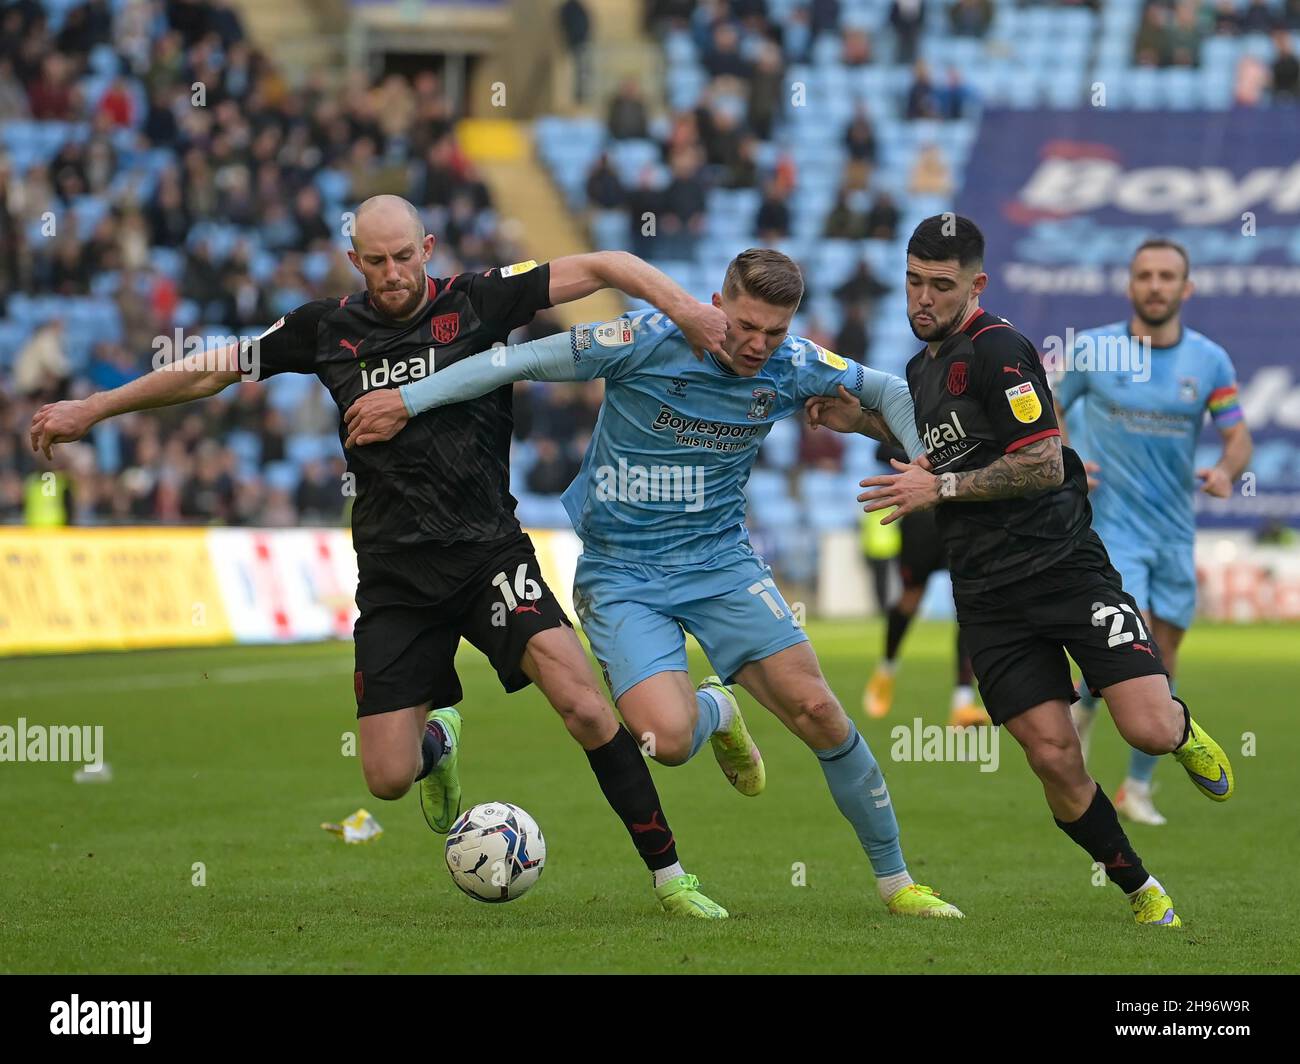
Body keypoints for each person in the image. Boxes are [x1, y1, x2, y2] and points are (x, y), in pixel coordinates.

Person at [29, 194, 732, 919]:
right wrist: (95, 408)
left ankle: (671, 877)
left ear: (428, 248)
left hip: (489, 553)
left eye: (404, 257)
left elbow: (605, 263)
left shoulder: (481, 300)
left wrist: (687, 311)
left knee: (585, 707)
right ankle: (439, 738)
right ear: (353, 260)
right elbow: (212, 369)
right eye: (376, 261)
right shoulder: (325, 328)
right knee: (388, 778)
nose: (392, 273)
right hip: (395, 577)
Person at [344, 248, 967, 920]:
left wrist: (922, 463)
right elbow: (515, 362)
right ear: (718, 303)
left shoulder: (794, 365)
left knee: (818, 711)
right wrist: (407, 399)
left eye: (774, 331)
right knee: (666, 743)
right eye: (747, 326)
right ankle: (719, 710)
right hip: (622, 574)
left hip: (720, 564)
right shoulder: (642, 340)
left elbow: (892, 393)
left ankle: (898, 882)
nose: (758, 345)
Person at [846, 215, 1236, 927]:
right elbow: (949, 447)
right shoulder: (921, 368)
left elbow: (1040, 461)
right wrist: (862, 422)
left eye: (940, 285)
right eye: (913, 282)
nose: (922, 299)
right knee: (1054, 757)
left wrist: (944, 490)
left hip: (1066, 573)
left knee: (1144, 728)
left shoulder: (1002, 350)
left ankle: (1181, 731)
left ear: (976, 285)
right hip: (988, 599)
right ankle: (1141, 889)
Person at [1056, 239, 1252, 825]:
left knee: (1163, 655)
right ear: (1130, 285)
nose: (1156, 285)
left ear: (1186, 289)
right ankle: (1086, 716)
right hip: (1111, 529)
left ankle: (1136, 788)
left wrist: (1226, 470)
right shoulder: (1094, 350)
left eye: (1168, 276)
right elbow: (1045, 406)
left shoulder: (1210, 361)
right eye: (1145, 275)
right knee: (1125, 639)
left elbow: (1237, 435)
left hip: (1174, 531)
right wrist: (1067, 457)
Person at [861, 439, 986, 727]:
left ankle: (962, 704)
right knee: (910, 598)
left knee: (968, 606)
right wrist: (923, 458)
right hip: (921, 518)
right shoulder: (913, 402)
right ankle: (887, 669)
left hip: (963, 514)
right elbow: (881, 450)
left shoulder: (966, 405)